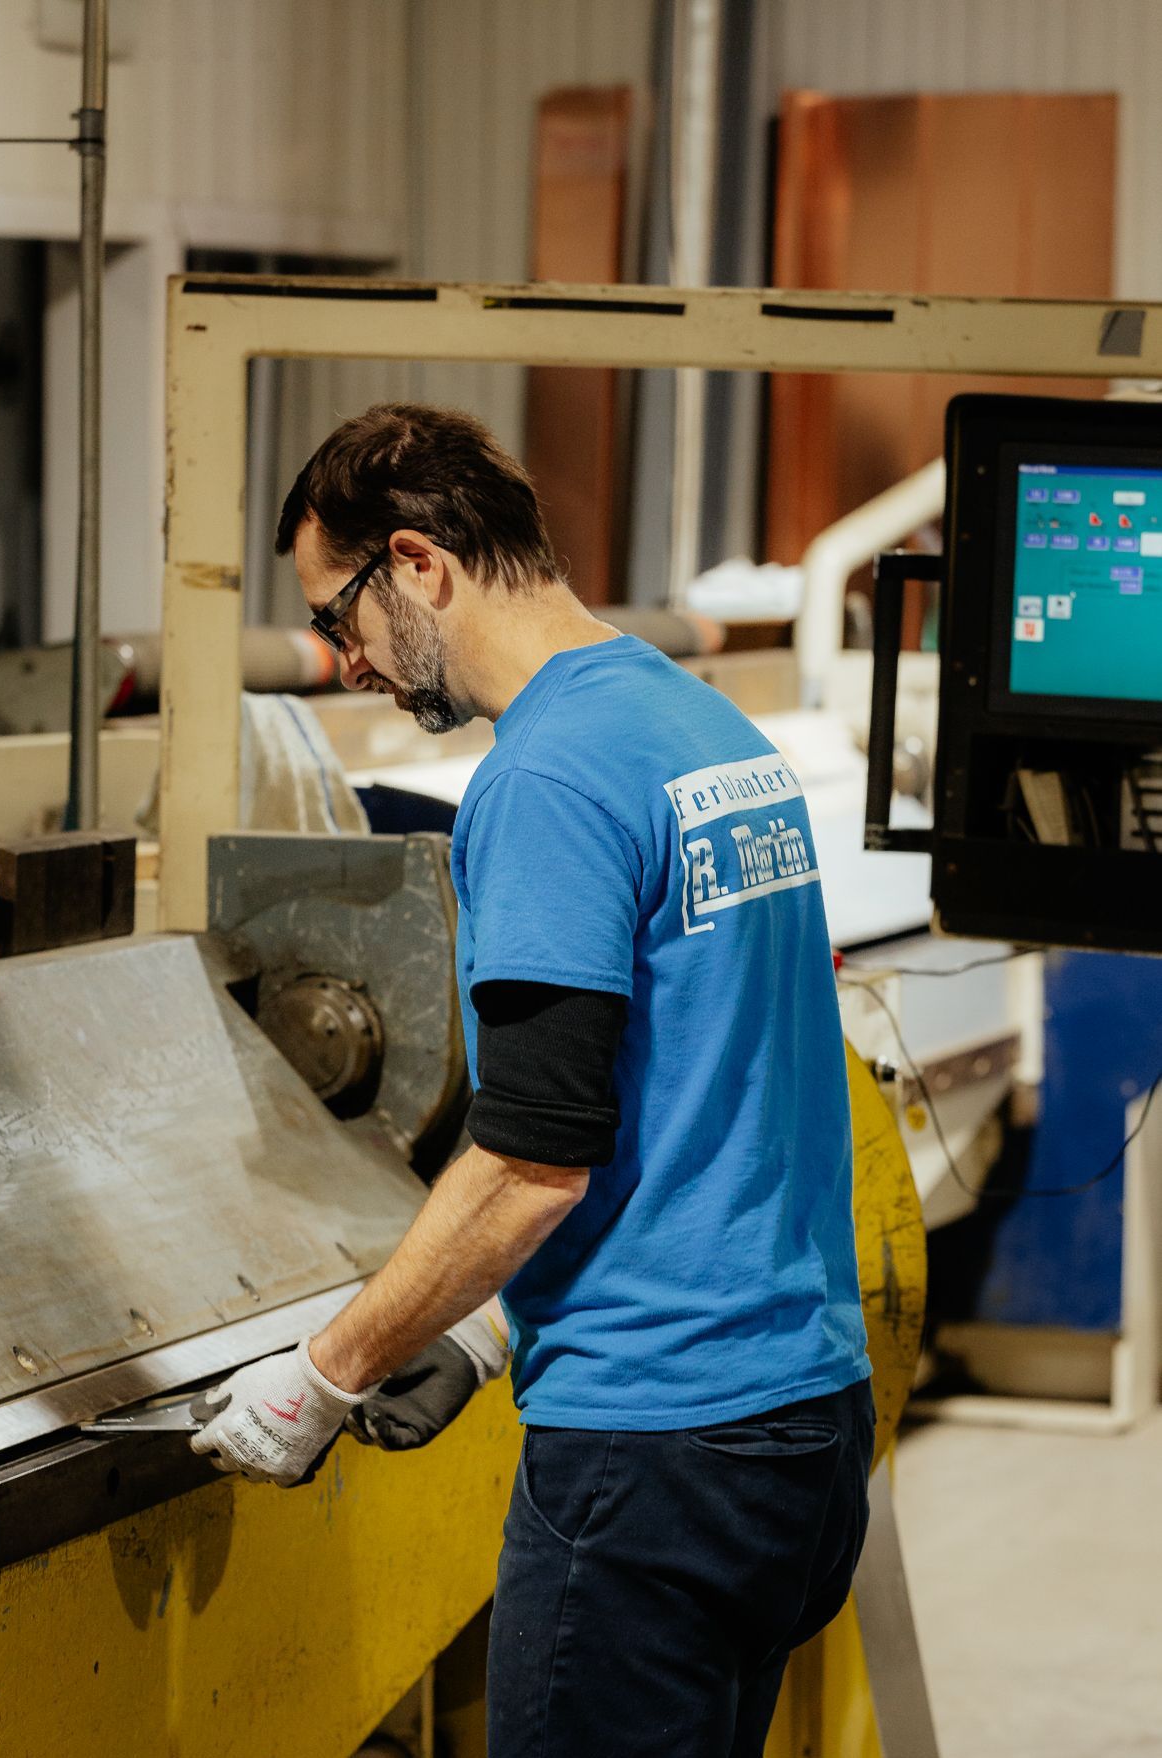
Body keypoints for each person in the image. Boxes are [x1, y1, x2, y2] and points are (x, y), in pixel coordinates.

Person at [191, 403, 874, 1758]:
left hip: (652, 1452)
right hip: (797, 1423)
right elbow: (701, 1089)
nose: (343, 663)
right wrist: (489, 1324)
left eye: (342, 616)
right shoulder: (699, 727)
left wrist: (323, 1375)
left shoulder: (546, 778)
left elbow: (531, 1157)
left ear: (419, 562)